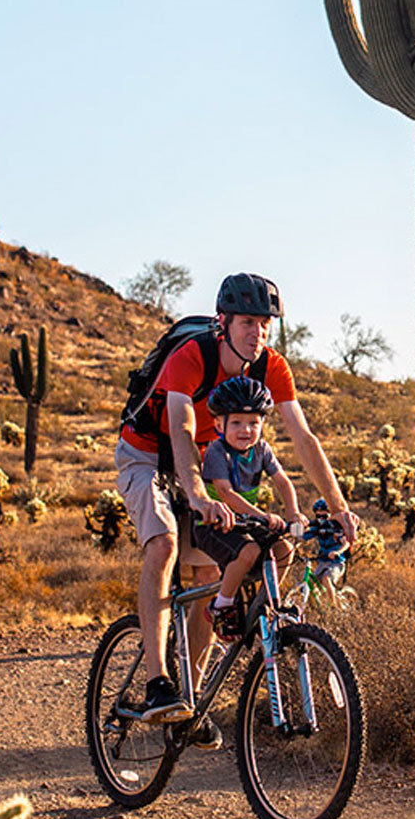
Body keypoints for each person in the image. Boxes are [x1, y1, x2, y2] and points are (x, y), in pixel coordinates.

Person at [113, 272, 359, 731]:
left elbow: (302, 436)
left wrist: (339, 506)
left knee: (208, 572)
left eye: (265, 324)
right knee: (164, 547)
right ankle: (157, 684)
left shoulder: (270, 366)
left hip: (204, 461)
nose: (257, 333)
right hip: (146, 452)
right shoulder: (192, 357)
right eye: (248, 322)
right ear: (223, 321)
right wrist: (199, 495)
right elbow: (182, 430)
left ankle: (189, 701)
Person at [191, 375, 303, 640]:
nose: (246, 430)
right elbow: (224, 493)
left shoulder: (262, 449)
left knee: (284, 549)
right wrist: (262, 516)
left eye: (254, 423)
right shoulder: (218, 452)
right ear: (219, 424)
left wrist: (294, 512)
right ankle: (221, 605)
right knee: (250, 550)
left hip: (245, 522)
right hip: (212, 524)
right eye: (237, 423)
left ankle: (264, 602)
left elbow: (283, 482)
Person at [304, 497, 350, 590]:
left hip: (336, 562)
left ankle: (333, 604)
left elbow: (346, 543)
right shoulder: (317, 528)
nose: (321, 520)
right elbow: (303, 537)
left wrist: (337, 552)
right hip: (323, 561)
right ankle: (313, 604)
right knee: (310, 582)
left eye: (324, 517)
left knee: (326, 579)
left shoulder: (336, 528)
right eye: (318, 517)